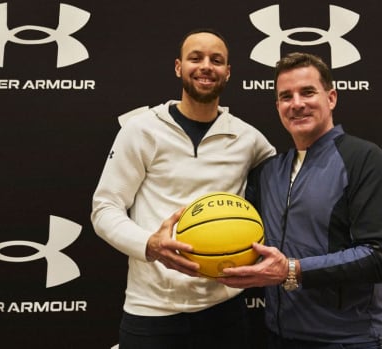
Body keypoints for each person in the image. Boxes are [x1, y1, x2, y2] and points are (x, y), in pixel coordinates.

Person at [90, 28, 276, 349]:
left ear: (227, 73)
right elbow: (105, 208)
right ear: (179, 67)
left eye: (216, 60)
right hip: (151, 309)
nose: (206, 66)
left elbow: (285, 192)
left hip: (224, 309)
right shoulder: (142, 130)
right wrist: (150, 244)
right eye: (196, 58)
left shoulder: (249, 139)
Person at [217, 52, 382, 349]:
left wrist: (292, 270)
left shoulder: (365, 159)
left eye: (307, 92)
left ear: (331, 98)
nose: (297, 104)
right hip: (279, 337)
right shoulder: (269, 171)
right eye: (286, 96)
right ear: (278, 106)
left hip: (349, 341)